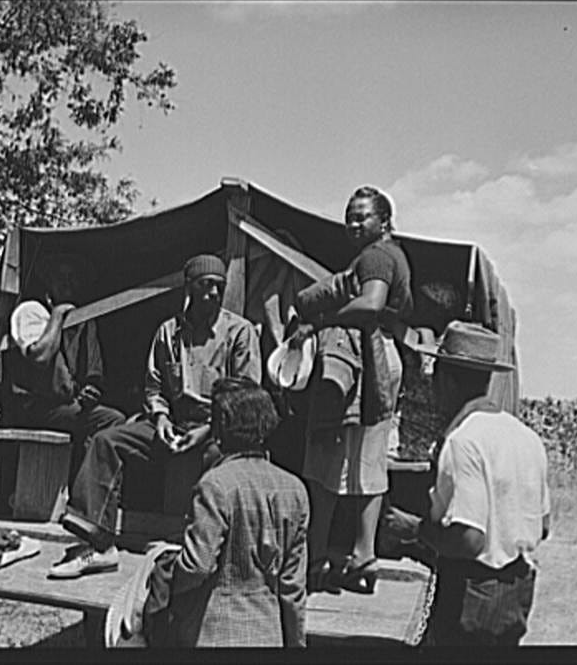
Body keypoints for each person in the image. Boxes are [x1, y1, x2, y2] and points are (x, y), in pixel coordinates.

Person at [49, 254, 262, 579]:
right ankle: (99, 542)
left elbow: (244, 399)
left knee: (228, 466)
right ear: (189, 288)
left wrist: (207, 430)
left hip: (219, 432)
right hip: (174, 427)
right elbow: (154, 389)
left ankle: (216, 554)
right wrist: (161, 420)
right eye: (206, 287)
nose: (214, 295)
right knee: (109, 440)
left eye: (219, 287)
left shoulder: (239, 333)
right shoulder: (168, 332)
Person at [381, 320, 551, 649]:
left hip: (472, 593)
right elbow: (542, 526)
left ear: (447, 379)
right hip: (515, 590)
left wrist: (414, 529)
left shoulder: (463, 442)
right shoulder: (526, 438)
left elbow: (470, 540)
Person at [292, 185, 413, 594]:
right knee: (367, 460)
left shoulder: (377, 256)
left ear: (385, 222)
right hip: (382, 357)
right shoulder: (390, 255)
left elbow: (371, 304)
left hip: (367, 357)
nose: (353, 223)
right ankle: (363, 555)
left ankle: (317, 555)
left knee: (327, 454)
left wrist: (322, 321)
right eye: (349, 216)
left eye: (362, 216)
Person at [168, 377, 309, 647]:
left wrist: (164, 578)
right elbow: (292, 587)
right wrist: (296, 644)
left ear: (221, 426)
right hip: (269, 633)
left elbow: (197, 565)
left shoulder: (215, 485)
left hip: (213, 632)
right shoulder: (295, 489)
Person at [8, 252, 126, 484]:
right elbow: (40, 356)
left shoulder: (84, 319)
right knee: (107, 421)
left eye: (73, 278)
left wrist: (90, 391)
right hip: (34, 407)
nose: (68, 283)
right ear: (49, 281)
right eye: (61, 277)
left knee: (111, 419)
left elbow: (94, 375)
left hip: (66, 407)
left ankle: (87, 492)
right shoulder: (32, 311)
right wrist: (58, 315)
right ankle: (85, 494)